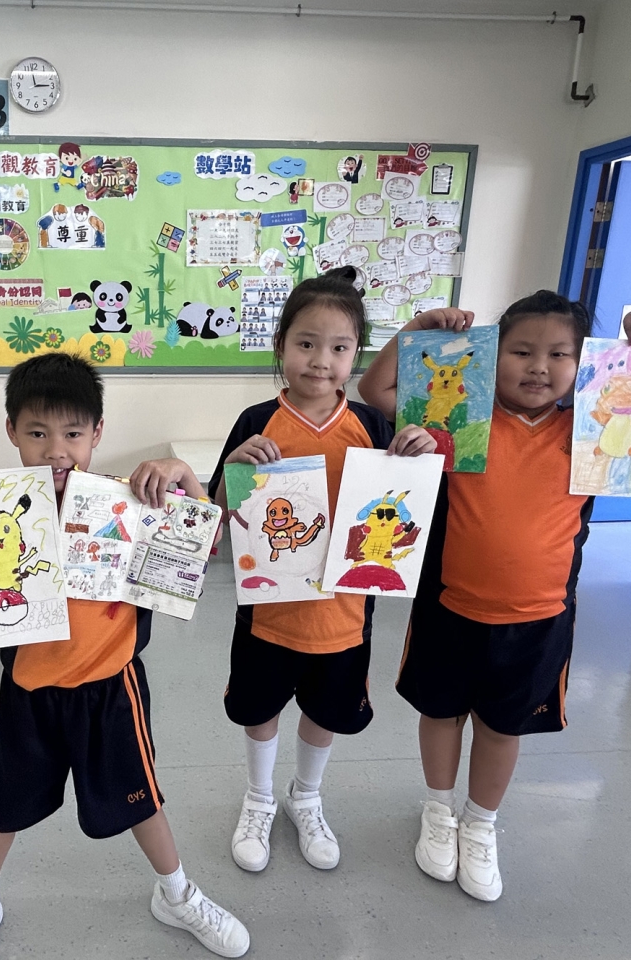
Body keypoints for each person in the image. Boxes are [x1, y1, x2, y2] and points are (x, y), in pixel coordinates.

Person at [358, 292, 631, 902]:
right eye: (521, 351)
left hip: (538, 619)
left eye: (559, 354)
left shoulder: (599, 431)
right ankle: (439, 811)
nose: (538, 366)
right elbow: (376, 390)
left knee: (502, 727)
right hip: (449, 608)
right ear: (490, 355)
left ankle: (480, 823)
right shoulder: (460, 420)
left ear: (584, 364)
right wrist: (420, 328)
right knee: (441, 712)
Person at [0, 352, 250, 960]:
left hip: (110, 689)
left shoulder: (129, 502)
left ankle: (177, 894)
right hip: (29, 693)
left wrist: (184, 474)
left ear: (97, 433)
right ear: (11, 431)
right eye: (37, 433)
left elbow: (201, 547)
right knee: (1, 806)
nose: (56, 451)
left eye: (72, 433)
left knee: (141, 799)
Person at [207, 267, 437, 875]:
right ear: (280, 344)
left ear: (355, 354)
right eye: (306, 343)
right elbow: (215, 518)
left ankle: (305, 797)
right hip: (268, 614)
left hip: (343, 617)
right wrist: (233, 469)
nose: (320, 361)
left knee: (325, 712)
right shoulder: (256, 421)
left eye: (338, 348)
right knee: (260, 709)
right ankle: (259, 798)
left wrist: (417, 454)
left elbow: (405, 506)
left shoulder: (373, 425)